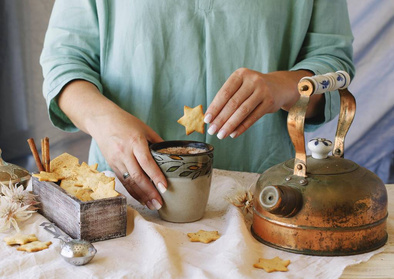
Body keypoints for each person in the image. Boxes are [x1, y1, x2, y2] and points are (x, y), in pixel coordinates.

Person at [40, 0, 354, 210]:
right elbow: (65, 63)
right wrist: (105, 124)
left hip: (260, 195)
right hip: (127, 193)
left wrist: (286, 85)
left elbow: (333, 62)